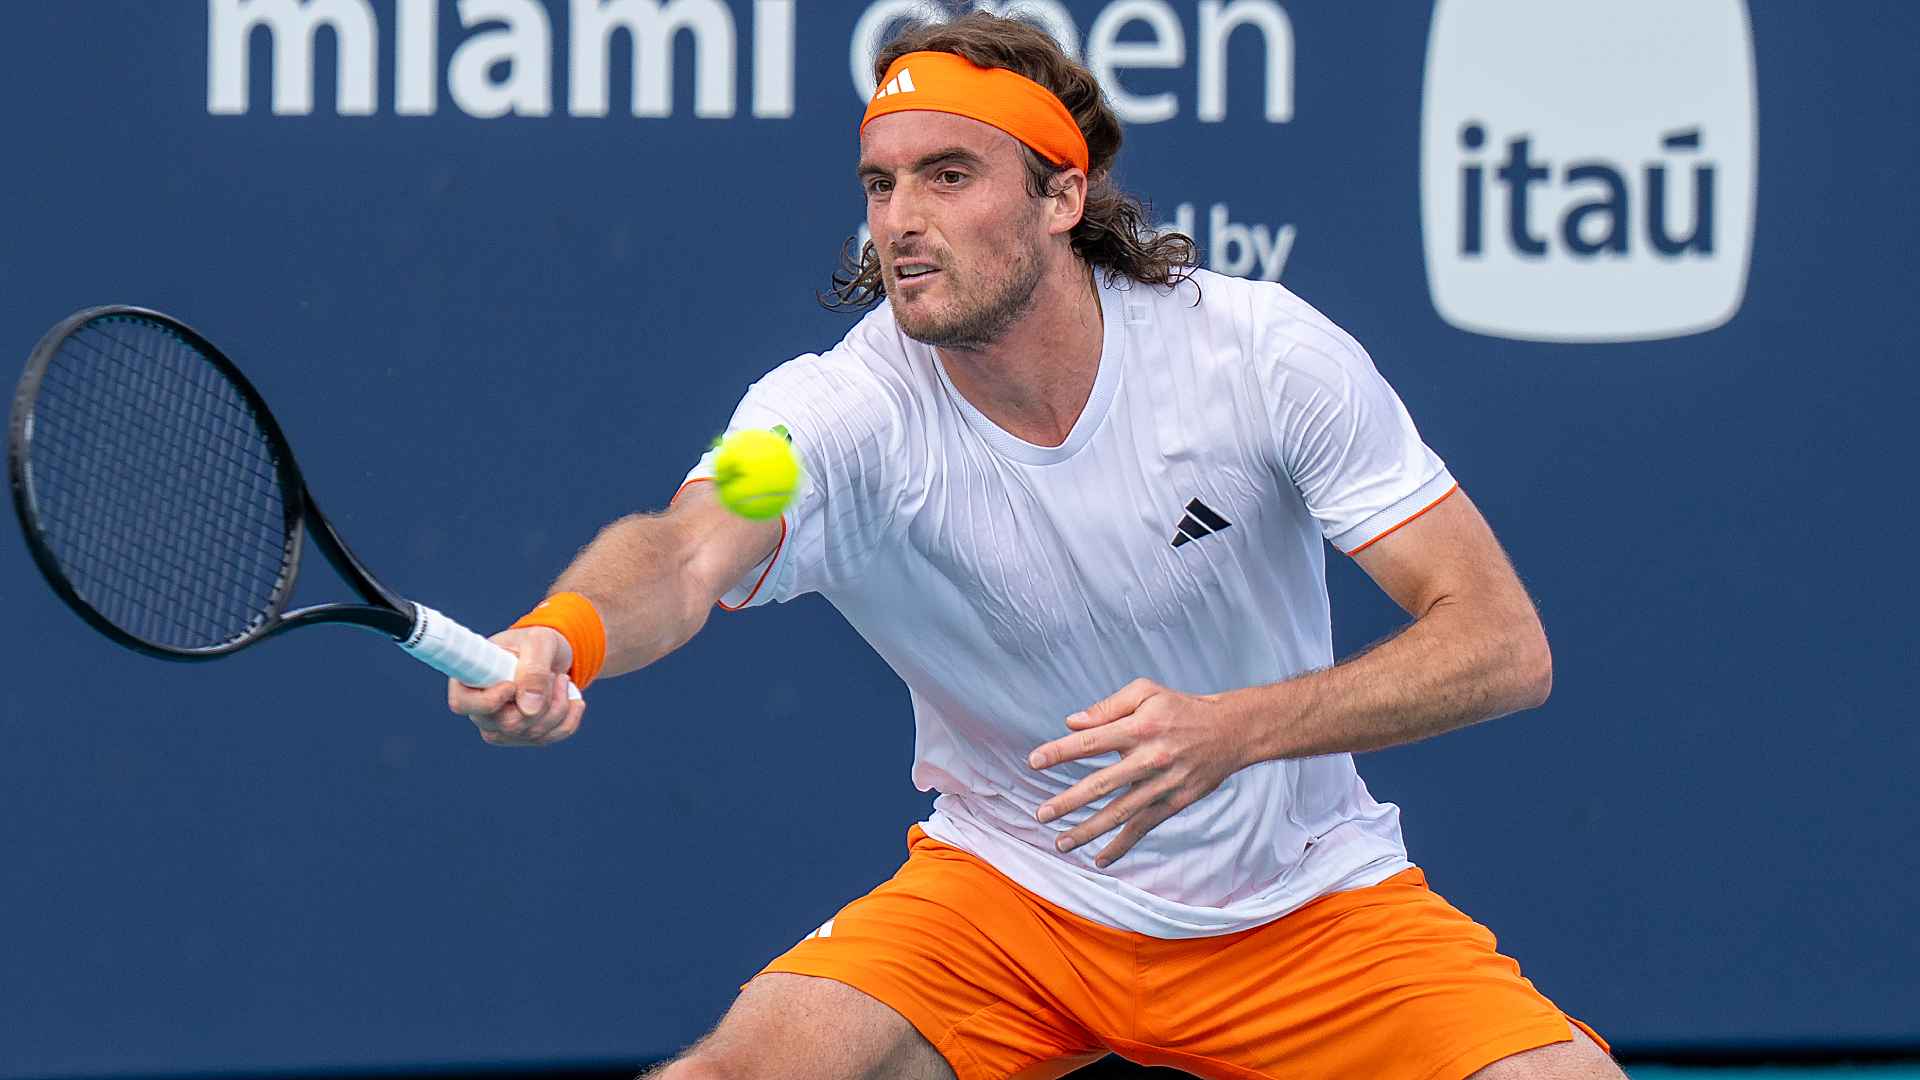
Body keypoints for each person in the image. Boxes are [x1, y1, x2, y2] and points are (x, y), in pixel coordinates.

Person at [450, 13, 1626, 1080]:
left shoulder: (1258, 356)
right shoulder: (829, 416)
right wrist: (566, 634)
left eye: (948, 177)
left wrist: (1235, 730)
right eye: (880, 184)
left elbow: (1500, 643)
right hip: (1013, 899)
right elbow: (685, 546)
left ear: (1061, 197)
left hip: (1301, 906)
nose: (902, 220)